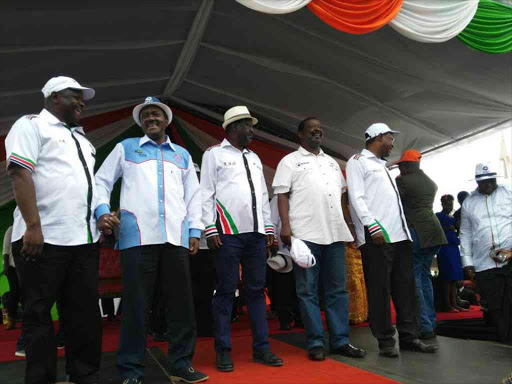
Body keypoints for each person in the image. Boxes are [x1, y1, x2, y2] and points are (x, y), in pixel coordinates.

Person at [95, 97, 208, 384]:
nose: (151, 119)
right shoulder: (126, 148)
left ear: (166, 120)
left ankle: (181, 363)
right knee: (136, 304)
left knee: (181, 304)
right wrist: (102, 210)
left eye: (156, 114)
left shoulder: (181, 155)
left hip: (176, 237)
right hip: (137, 237)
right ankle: (131, 369)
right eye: (145, 116)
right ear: (141, 122)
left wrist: (195, 231)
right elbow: (102, 181)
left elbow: (194, 196)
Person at [5, 76, 102, 384]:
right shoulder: (31, 125)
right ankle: (40, 378)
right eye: (76, 96)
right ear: (56, 97)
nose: (82, 102)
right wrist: (33, 226)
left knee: (83, 314)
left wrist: (101, 216)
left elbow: (90, 185)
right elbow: (20, 173)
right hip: (43, 239)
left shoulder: (83, 140)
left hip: (84, 240)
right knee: (38, 314)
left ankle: (84, 375)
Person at [272, 117, 366, 361]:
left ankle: (340, 341)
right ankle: (315, 342)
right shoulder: (289, 161)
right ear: (300, 135)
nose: (317, 131)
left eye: (320, 128)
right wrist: (285, 226)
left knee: (337, 290)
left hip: (335, 234)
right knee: (307, 291)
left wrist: (350, 224)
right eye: (311, 128)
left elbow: (342, 197)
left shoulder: (332, 163)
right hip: (305, 235)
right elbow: (282, 195)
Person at [201, 106, 283, 372]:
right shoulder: (213, 154)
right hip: (227, 233)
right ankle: (223, 350)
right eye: (248, 126)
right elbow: (206, 193)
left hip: (257, 234)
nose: (252, 131)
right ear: (234, 127)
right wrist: (209, 229)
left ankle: (262, 349)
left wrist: (269, 228)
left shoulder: (255, 158)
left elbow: (261, 195)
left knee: (257, 291)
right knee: (226, 290)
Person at [346, 123, 437, 358]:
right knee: (380, 290)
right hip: (378, 236)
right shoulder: (358, 161)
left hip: (400, 236)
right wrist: (371, 226)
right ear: (377, 137)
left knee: (405, 289)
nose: (392, 142)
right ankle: (386, 340)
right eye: (389, 137)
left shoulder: (383, 166)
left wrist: (405, 232)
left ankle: (409, 337)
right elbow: (356, 197)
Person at [396, 149, 447, 339]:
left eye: (401, 165)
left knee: (415, 279)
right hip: (434, 232)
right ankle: (430, 323)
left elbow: (395, 205)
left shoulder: (403, 181)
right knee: (425, 278)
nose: (400, 169)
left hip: (418, 233)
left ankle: (424, 326)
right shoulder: (429, 181)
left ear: (406, 165)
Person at [460, 162, 512, 343]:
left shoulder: (509, 193)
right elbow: (465, 234)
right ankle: (505, 340)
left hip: (511, 258)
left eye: (490, 180)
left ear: (495, 178)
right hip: (484, 263)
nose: (487, 184)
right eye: (483, 181)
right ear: (476, 181)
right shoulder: (469, 203)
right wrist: (467, 262)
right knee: (495, 305)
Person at [267, 195, 301, 331]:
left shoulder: (303, 192)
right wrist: (273, 242)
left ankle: (300, 317)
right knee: (284, 287)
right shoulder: (278, 198)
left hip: (302, 248)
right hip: (283, 250)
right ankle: (285, 319)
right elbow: (272, 220)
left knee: (301, 286)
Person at [435, 195, 465, 313]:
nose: (449, 206)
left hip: (453, 248)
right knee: (447, 277)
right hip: (444, 248)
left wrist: (457, 227)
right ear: (442, 204)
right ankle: (447, 305)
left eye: (451, 204)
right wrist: (448, 228)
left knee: (454, 277)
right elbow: (435, 229)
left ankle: (454, 303)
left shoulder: (452, 217)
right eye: (447, 204)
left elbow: (458, 232)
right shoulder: (437, 216)